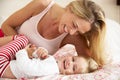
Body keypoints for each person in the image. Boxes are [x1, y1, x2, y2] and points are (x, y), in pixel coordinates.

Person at [1, 0, 106, 65]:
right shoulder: (42, 5)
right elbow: (6, 25)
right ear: (71, 9)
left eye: (79, 32)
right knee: (22, 39)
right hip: (3, 43)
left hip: (12, 64)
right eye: (74, 25)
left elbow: (89, 62)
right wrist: (25, 48)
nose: (72, 32)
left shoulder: (74, 36)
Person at [0, 35, 98, 79]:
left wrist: (23, 52)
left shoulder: (51, 68)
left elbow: (26, 67)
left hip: (2, 64)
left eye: (73, 68)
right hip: (7, 64)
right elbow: (36, 63)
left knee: (22, 39)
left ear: (70, 75)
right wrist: (37, 52)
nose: (70, 63)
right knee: (23, 40)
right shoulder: (53, 63)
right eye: (73, 59)